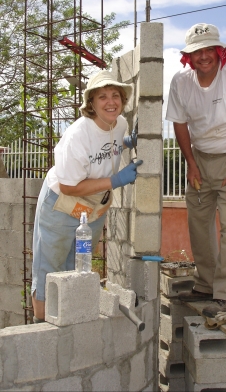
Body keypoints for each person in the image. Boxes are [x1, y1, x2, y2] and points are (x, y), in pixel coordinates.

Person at [31, 70, 142, 322]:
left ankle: (70, 319)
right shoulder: (76, 136)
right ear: (90, 102)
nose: (110, 102)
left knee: (79, 265)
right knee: (50, 268)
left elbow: (107, 142)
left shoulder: (120, 123)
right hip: (61, 204)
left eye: (116, 95)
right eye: (102, 96)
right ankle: (41, 326)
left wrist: (126, 142)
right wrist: (116, 180)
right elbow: (69, 187)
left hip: (91, 209)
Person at [166, 23, 226, 307]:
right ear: (188, 57)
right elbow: (180, 124)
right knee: (198, 222)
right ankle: (205, 285)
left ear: (220, 51)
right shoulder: (180, 82)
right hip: (200, 159)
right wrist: (191, 164)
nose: (203, 56)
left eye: (209, 49)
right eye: (197, 52)